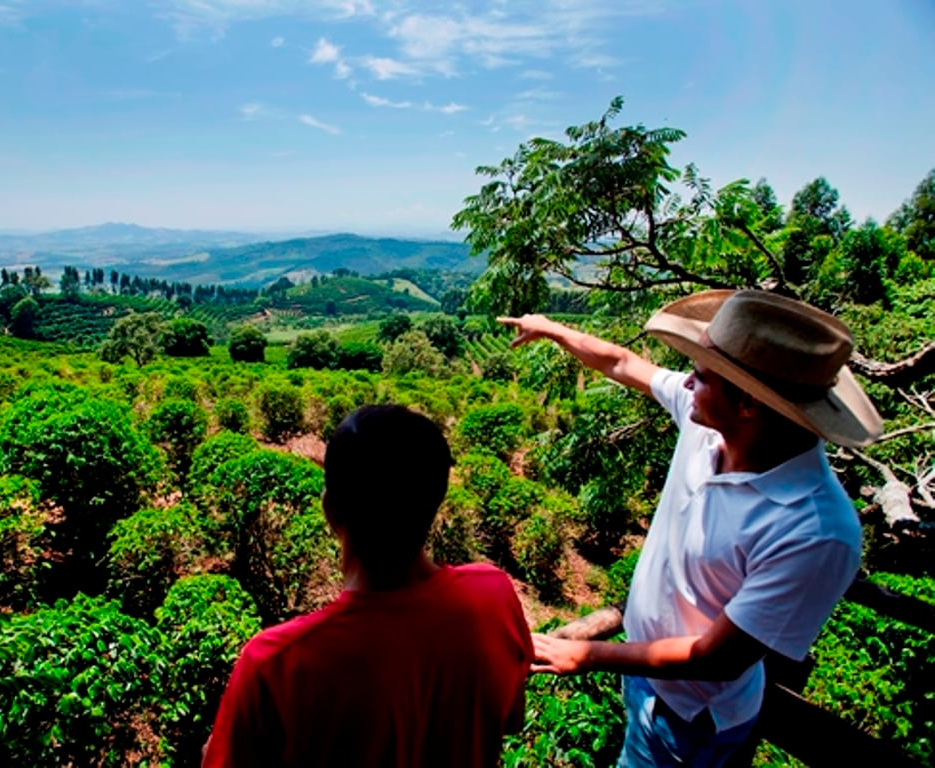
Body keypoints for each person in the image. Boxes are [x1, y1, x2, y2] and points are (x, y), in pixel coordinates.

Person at [499, 289, 882, 767]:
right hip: (647, 677)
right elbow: (620, 363)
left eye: (700, 376)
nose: (684, 384)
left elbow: (719, 658)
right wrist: (554, 330)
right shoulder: (710, 425)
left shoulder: (814, 530)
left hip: (688, 717)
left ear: (746, 402)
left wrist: (587, 655)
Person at [202, 404, 533, 768]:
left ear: (329, 509)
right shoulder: (493, 596)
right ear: (436, 501)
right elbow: (508, 719)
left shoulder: (275, 664)